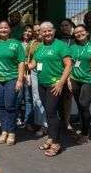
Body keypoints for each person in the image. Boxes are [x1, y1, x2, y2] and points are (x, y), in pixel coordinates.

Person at [29, 22, 72, 157]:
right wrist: (20, 64)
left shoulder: (61, 46)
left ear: (53, 31)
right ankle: (51, 137)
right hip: (42, 84)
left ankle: (56, 142)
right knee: (48, 112)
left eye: (49, 31)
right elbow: (34, 64)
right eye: (44, 31)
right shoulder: (40, 47)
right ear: (40, 33)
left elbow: (69, 65)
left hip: (55, 85)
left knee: (52, 112)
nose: (47, 33)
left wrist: (60, 83)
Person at [0, 21, 25, 145]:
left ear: (9, 30)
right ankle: (4, 130)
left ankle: (11, 131)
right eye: (1, 28)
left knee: (10, 106)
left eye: (6, 27)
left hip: (12, 78)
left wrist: (20, 80)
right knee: (1, 107)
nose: (3, 29)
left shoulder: (16, 44)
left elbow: (21, 62)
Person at [68, 25, 91, 144]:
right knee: (79, 106)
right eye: (76, 32)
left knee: (84, 105)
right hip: (74, 79)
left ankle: (85, 134)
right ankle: (83, 130)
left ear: (87, 32)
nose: (79, 34)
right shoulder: (72, 47)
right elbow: (69, 64)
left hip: (89, 80)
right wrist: (68, 79)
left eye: (81, 31)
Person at [28, 23, 47, 134]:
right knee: (36, 98)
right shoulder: (32, 43)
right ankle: (40, 124)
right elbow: (28, 58)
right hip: (34, 71)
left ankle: (46, 125)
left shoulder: (49, 43)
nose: (37, 32)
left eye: (39, 30)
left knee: (45, 99)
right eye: (35, 30)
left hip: (47, 71)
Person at [58, 18, 76, 133]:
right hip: (59, 72)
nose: (64, 27)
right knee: (58, 98)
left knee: (68, 98)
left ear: (71, 26)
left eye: (66, 25)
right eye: (62, 26)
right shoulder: (58, 40)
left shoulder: (76, 40)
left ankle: (67, 121)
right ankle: (60, 120)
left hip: (73, 72)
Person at [19, 24, 35, 130]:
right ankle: (18, 118)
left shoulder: (34, 44)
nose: (27, 33)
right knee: (18, 98)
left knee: (29, 98)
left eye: (30, 31)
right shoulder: (16, 43)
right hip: (18, 74)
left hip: (29, 74)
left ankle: (27, 122)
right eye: (25, 30)